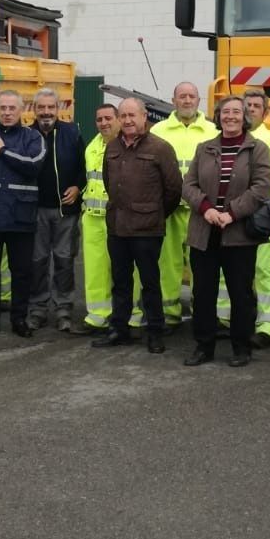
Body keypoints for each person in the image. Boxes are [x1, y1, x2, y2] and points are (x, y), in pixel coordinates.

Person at [183, 96, 270, 368]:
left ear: (244, 116)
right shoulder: (204, 148)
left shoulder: (257, 149)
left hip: (239, 233)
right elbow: (189, 185)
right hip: (204, 231)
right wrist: (207, 208)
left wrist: (231, 213)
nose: (230, 116)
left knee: (240, 294)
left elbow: (261, 188)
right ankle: (204, 346)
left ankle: (241, 347)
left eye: (236, 112)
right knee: (203, 293)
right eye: (225, 112)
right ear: (218, 116)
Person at [94, 98, 183, 353]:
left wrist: (154, 214)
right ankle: (119, 329)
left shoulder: (161, 148)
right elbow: (109, 183)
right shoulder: (112, 147)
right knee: (120, 282)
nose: (128, 120)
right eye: (123, 116)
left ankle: (155, 332)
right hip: (118, 227)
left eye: (133, 115)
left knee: (150, 282)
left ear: (145, 117)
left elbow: (173, 190)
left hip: (147, 229)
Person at [0, 90, 46, 338]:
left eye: (11, 108)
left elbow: (34, 165)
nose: (6, 112)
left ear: (22, 109)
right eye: (2, 107)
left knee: (22, 272)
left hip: (20, 217)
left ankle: (19, 319)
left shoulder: (33, 136)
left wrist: (2, 151)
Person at [147, 82, 218, 330]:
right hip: (169, 210)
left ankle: (203, 315)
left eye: (191, 96)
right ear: (174, 100)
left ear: (199, 101)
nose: (187, 101)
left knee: (202, 267)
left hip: (202, 211)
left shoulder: (212, 130)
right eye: (182, 96)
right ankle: (170, 315)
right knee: (169, 264)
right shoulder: (158, 130)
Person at [28, 88, 84, 332]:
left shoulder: (72, 132)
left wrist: (78, 186)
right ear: (34, 109)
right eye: (42, 107)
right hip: (35, 210)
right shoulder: (26, 135)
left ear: (58, 108)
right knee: (37, 262)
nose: (46, 112)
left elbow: (85, 165)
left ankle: (64, 309)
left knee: (64, 261)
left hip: (65, 211)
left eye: (51, 107)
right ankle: (38, 308)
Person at [239, 87, 270, 345]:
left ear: (265, 112)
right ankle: (227, 318)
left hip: (260, 216)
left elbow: (258, 176)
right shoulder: (229, 136)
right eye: (247, 106)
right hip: (235, 213)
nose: (250, 110)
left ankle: (267, 325)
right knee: (231, 272)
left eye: (256, 106)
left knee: (263, 271)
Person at [80, 104, 119, 333]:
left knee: (123, 270)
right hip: (93, 218)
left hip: (118, 219)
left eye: (108, 118)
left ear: (118, 120)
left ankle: (130, 315)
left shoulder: (125, 145)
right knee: (94, 270)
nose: (104, 123)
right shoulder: (92, 147)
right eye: (99, 119)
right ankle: (97, 315)